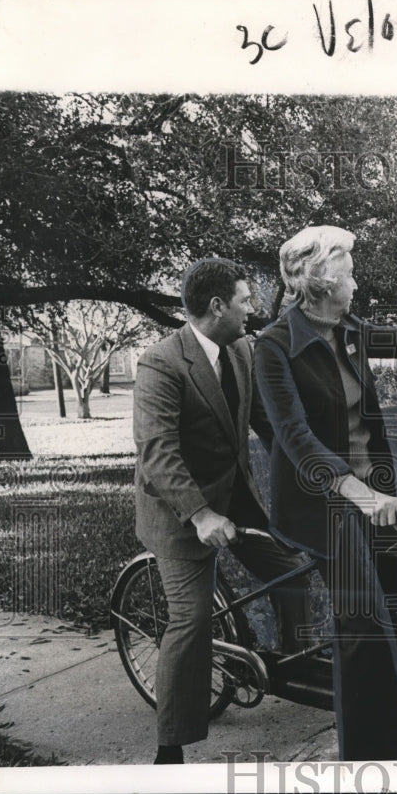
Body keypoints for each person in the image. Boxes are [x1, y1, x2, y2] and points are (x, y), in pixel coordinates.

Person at [254, 226, 397, 760]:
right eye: (349, 271)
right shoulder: (275, 346)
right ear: (322, 280)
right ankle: (376, 754)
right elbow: (295, 437)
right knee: (364, 622)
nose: (357, 279)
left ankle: (394, 702)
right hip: (319, 502)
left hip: (368, 493)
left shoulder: (348, 328)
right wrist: (356, 491)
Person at [133, 257, 311, 765]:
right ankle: (171, 746)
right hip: (180, 510)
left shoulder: (240, 350)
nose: (253, 308)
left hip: (234, 495)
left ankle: (287, 666)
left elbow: (262, 420)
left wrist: (311, 471)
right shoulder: (161, 363)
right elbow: (158, 452)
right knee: (191, 622)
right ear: (218, 306)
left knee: (292, 573)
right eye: (246, 300)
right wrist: (201, 516)